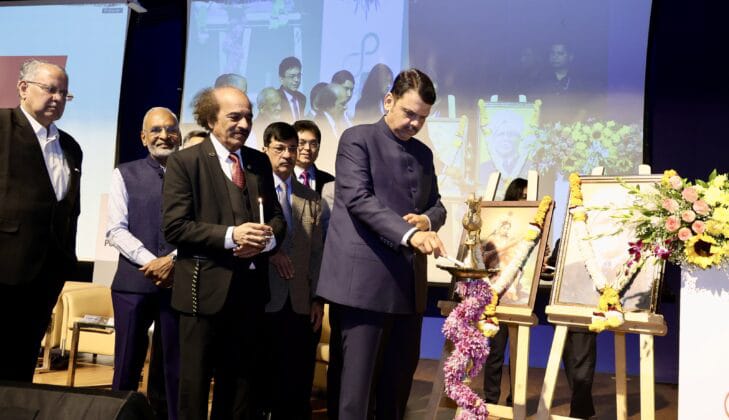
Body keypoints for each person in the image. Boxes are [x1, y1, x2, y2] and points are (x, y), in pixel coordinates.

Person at [317, 68, 447, 419]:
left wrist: (427, 221)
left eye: (422, 118)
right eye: (409, 113)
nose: (415, 124)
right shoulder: (357, 139)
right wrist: (411, 234)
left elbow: (437, 205)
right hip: (363, 288)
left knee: (397, 389)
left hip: (408, 288)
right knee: (355, 395)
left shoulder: (423, 154)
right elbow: (358, 199)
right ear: (389, 100)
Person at [162, 86, 286, 419]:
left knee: (241, 390)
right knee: (194, 387)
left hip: (250, 295)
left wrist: (265, 240)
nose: (244, 124)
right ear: (209, 119)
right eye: (235, 116)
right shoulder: (185, 162)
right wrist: (232, 236)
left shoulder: (258, 162)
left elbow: (276, 218)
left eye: (248, 117)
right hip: (202, 296)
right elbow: (175, 227)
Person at [0, 59, 82, 382]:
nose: (58, 99)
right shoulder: (3, 126)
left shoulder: (71, 147)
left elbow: (69, 207)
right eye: (50, 90)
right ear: (23, 88)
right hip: (5, 267)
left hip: (47, 272)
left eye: (64, 94)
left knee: (23, 362)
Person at [106, 107, 181, 419]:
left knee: (174, 369)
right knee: (125, 366)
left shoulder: (193, 175)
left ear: (179, 135)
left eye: (170, 129)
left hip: (178, 283)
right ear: (143, 137)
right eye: (156, 130)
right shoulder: (124, 173)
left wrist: (172, 261)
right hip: (133, 284)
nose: (164, 136)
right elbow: (115, 230)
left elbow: (199, 227)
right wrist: (154, 262)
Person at [260, 122, 325, 419]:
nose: (287, 155)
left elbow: (317, 253)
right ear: (265, 150)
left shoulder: (311, 198)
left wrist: (317, 299)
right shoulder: (253, 190)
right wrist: (271, 253)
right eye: (280, 148)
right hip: (263, 299)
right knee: (261, 380)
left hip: (300, 302)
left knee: (296, 381)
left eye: (292, 149)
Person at [481, 177, 528, 407]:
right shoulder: (492, 236)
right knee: (496, 352)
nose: (525, 201)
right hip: (496, 296)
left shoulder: (529, 233)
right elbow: (485, 257)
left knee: (519, 353)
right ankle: (491, 400)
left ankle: (515, 401)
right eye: (522, 197)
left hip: (518, 296)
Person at [313, 84, 349, 173]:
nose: (346, 107)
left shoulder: (337, 123)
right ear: (329, 106)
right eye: (342, 104)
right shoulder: (320, 126)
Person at [292, 120, 335, 196]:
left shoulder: (330, 181)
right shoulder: (282, 178)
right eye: (301, 143)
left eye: (313, 144)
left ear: (318, 148)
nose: (307, 148)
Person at [278, 56, 306, 122]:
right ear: (281, 79)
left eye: (298, 76)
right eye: (292, 76)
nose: (296, 80)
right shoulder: (275, 98)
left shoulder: (302, 98)